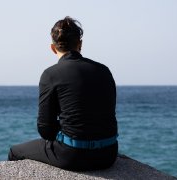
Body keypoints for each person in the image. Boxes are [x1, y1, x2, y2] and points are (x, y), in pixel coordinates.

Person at [8, 16, 118, 171]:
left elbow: (45, 129)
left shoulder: (51, 74)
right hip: (108, 155)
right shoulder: (104, 71)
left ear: (53, 48)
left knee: (15, 151)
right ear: (80, 44)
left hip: (73, 156)